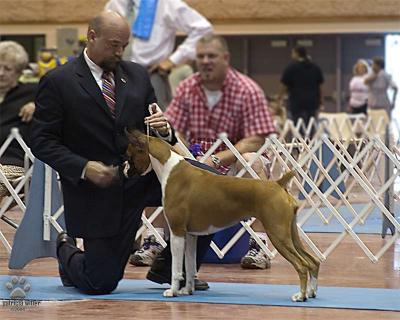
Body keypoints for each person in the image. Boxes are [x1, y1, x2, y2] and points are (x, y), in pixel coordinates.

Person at [30, 11, 212, 294]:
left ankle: (169, 270)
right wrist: (82, 166)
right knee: (99, 283)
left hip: (143, 177)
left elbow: (153, 127)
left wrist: (164, 129)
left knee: (209, 184)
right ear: (92, 36)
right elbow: (41, 140)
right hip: (97, 189)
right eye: (114, 44)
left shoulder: (137, 75)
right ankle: (66, 250)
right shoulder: (58, 81)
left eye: (124, 46)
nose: (119, 52)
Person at [164, 34, 277, 270]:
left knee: (251, 162)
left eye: (212, 56)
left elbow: (256, 139)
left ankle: (258, 244)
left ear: (225, 58)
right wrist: (186, 155)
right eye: (201, 56)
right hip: (194, 162)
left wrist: (216, 160)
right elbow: (173, 129)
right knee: (160, 164)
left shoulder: (247, 90)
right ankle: (155, 239)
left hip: (232, 161)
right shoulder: (186, 89)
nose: (206, 61)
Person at [104, 0, 212, 109]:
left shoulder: (166, 3)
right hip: (117, 74)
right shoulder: (116, 3)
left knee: (157, 120)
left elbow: (203, 29)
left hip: (151, 74)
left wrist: (173, 60)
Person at [0, 41, 36, 203]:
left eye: (7, 69)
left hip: (14, 162)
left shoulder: (31, 92)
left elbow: (57, 105)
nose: (1, 73)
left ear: (19, 72)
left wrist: (38, 106)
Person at [278, 46, 324, 131]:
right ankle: (310, 142)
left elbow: (284, 85)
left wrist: (279, 98)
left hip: (297, 102)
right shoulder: (315, 67)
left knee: (298, 125)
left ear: (296, 54)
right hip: (312, 101)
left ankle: (299, 142)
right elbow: (320, 86)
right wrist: (321, 101)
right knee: (311, 125)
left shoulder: (291, 68)